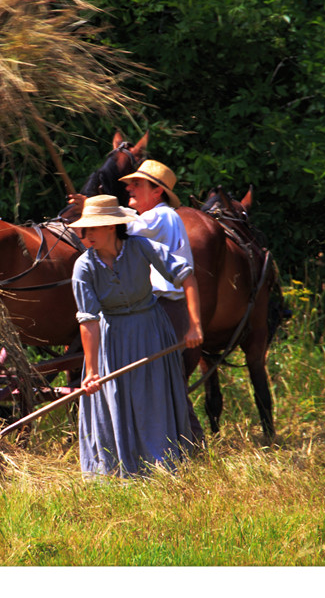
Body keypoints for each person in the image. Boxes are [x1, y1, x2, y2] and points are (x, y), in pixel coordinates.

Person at [69, 195, 203, 478]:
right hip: (112, 339)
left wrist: (194, 325)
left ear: (112, 227)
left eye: (93, 227)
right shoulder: (84, 266)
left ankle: (162, 465)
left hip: (151, 331)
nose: (86, 234)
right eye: (85, 228)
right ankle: (118, 469)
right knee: (115, 398)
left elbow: (186, 276)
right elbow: (89, 320)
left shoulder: (141, 247)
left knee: (153, 395)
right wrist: (91, 372)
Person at [118, 160, 205, 443]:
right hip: (163, 309)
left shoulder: (162, 216)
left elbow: (123, 232)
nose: (129, 187)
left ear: (157, 192)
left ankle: (193, 443)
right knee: (164, 381)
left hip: (167, 310)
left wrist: (97, 213)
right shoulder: (158, 218)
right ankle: (184, 444)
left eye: (137, 184)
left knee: (167, 380)